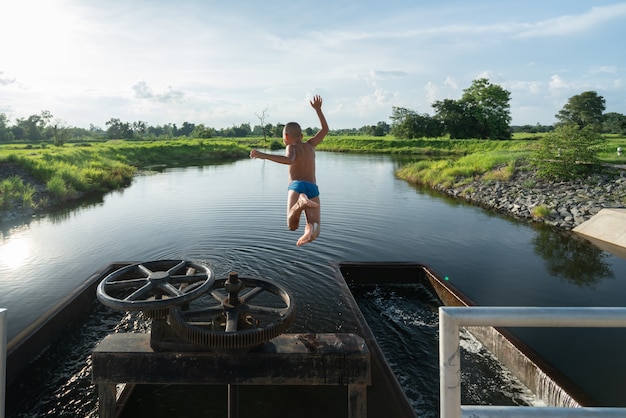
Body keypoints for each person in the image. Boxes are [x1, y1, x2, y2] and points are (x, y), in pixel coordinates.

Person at [250, 95, 328, 246]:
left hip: (297, 186)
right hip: (313, 187)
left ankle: (300, 203)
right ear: (302, 135)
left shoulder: (291, 147)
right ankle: (309, 230)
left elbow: (289, 160)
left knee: (292, 225)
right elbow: (325, 129)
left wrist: (263, 155)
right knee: (315, 228)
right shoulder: (310, 145)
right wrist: (318, 110)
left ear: (286, 136)